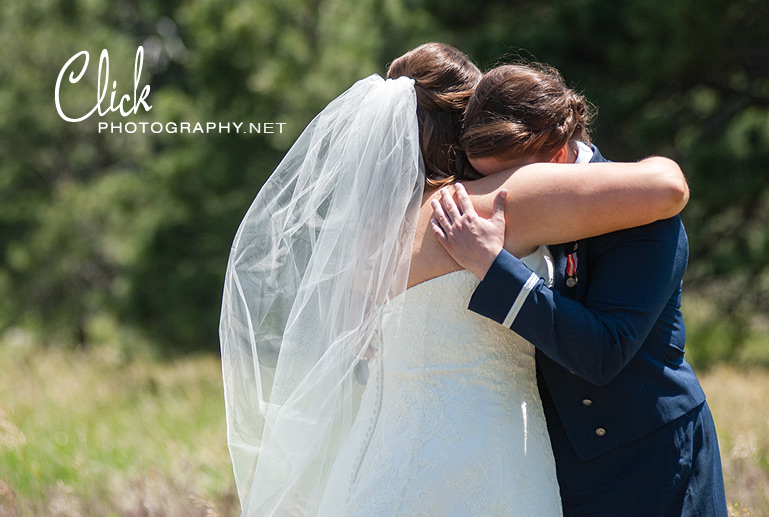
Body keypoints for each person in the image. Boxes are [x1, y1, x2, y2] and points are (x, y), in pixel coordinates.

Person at [220, 44, 689, 516]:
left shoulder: (366, 241)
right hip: (488, 460)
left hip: (381, 462)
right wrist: (664, 163)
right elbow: (665, 190)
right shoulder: (492, 201)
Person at [431, 63, 728, 516]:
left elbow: (603, 352)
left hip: (651, 459)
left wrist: (493, 267)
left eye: (508, 183)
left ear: (552, 157)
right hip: (555, 467)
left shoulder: (641, 211)